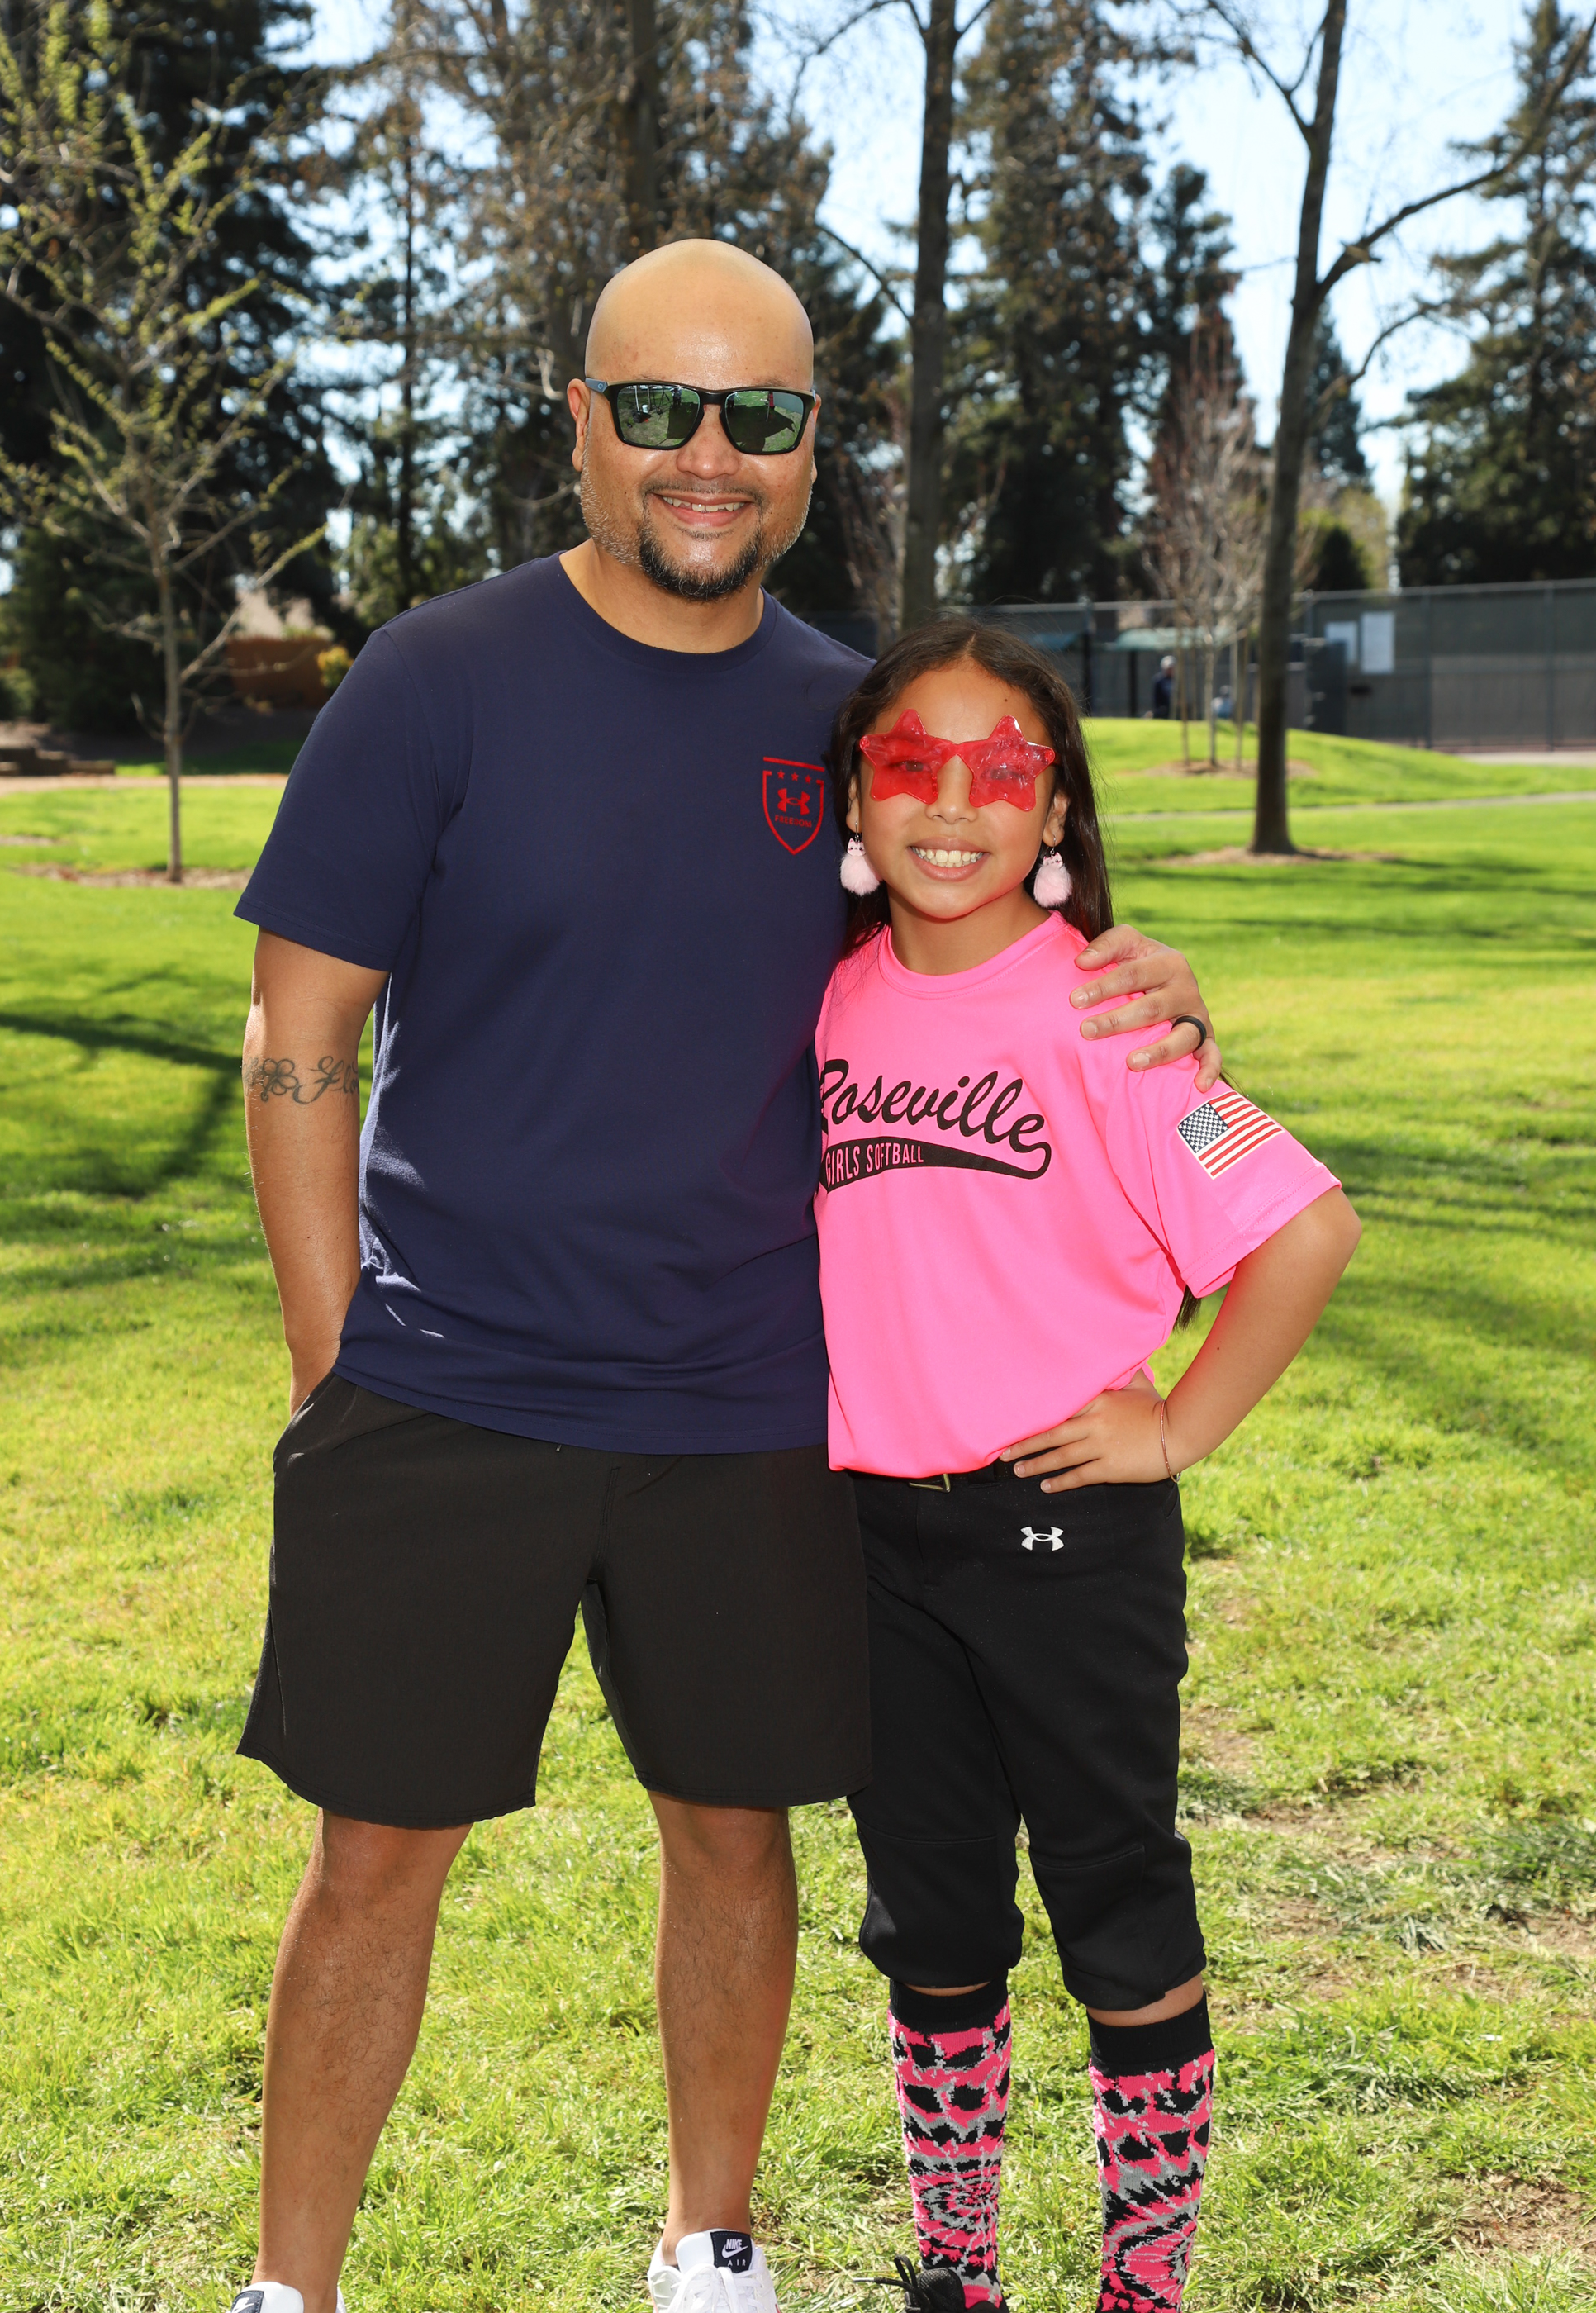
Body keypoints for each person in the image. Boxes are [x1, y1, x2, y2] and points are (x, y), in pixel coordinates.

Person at [224, 240, 1223, 2313]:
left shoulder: (848, 725)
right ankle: (287, 2290)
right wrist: (335, 1368)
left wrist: (1148, 974)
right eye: (661, 408)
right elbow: (298, 1038)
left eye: (757, 415)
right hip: (447, 1383)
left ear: (809, 447)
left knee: (735, 1834)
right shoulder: (433, 678)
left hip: (756, 1401)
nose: (707, 455)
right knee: (372, 1861)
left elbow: (982, 933)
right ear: (580, 423)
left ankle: (714, 2248)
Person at [815, 621, 1359, 2313]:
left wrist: (1177, 1424)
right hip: (870, 1543)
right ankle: (956, 2270)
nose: (952, 802)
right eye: (910, 763)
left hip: (1066, 1535)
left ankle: (1143, 2287)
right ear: (857, 794)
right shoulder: (827, 997)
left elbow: (1305, 1225)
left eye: (1002, 768)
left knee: (1115, 1900)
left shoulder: (1111, 1011)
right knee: (932, 1924)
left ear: (1055, 806)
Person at [1151, 653, 1176, 718]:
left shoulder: (1176, 680)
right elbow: (1156, 698)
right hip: (1162, 709)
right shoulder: (1158, 680)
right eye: (1168, 668)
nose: (1170, 670)